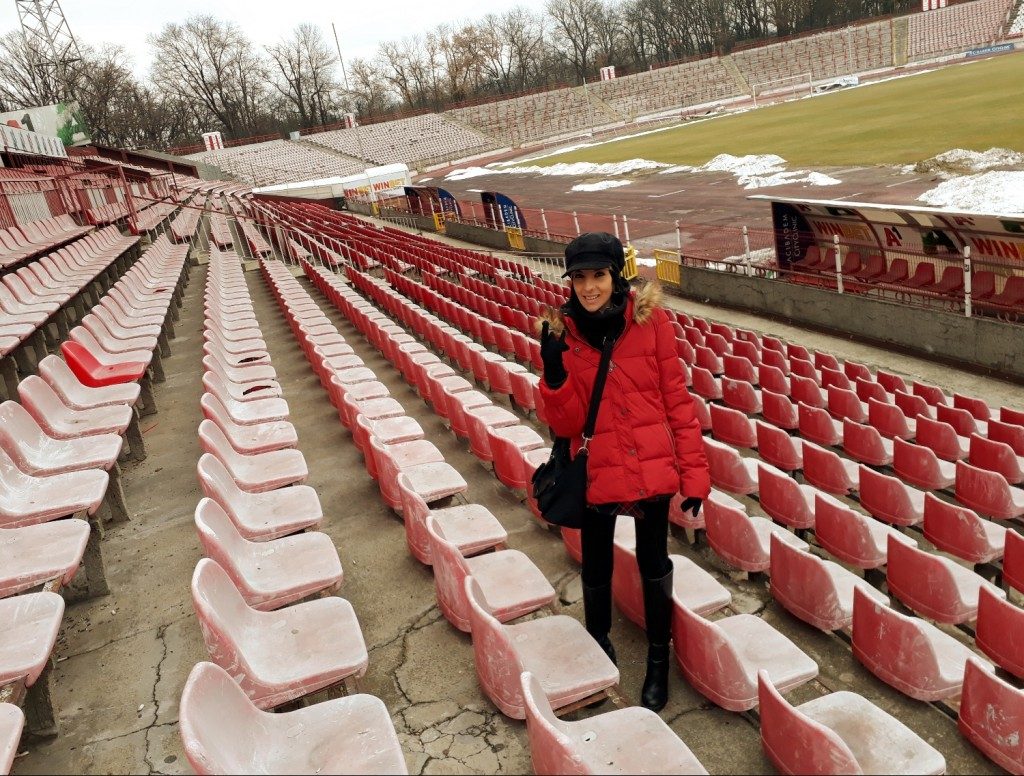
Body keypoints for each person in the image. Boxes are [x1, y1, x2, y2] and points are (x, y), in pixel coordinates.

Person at [537, 232, 710, 712]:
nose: (589, 287)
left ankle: (658, 659)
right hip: (594, 470)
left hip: (649, 466)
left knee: (654, 564)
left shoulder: (653, 324)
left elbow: (677, 402)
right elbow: (566, 424)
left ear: (617, 275)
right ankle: (598, 641)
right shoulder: (559, 332)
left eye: (598, 275)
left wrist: (694, 475)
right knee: (596, 564)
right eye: (579, 277)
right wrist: (553, 376)